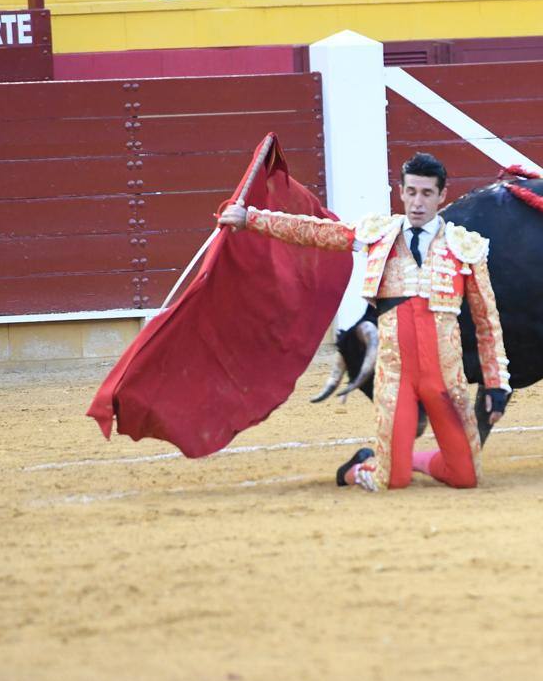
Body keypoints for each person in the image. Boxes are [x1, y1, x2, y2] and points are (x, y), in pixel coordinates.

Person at [218, 152, 510, 492]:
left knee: (466, 478)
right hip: (396, 376)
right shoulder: (379, 234)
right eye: (411, 192)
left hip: (447, 381)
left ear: (442, 195)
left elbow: (487, 322)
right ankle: (359, 468)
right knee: (391, 481)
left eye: (427, 193)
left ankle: (406, 459)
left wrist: (495, 384)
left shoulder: (465, 247)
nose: (417, 202)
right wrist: (250, 218)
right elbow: (315, 231)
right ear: (400, 192)